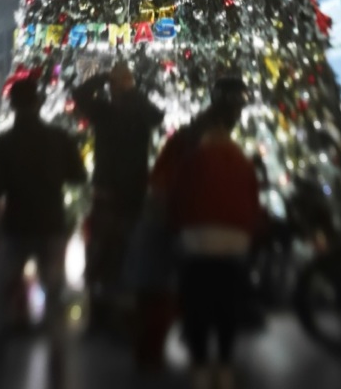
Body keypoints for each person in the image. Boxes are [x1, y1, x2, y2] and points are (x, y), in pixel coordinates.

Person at [132, 75, 265, 374]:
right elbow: (176, 184)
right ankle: (206, 359)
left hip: (187, 223)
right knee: (198, 294)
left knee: (191, 293)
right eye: (235, 104)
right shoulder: (207, 139)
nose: (237, 112)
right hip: (191, 224)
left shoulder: (198, 134)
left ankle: (191, 357)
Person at [0, 75, 86, 389]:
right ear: (39, 103)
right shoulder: (58, 138)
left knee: (2, 293)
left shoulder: (4, 142)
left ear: (12, 106)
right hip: (51, 224)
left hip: (15, 226)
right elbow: (78, 176)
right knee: (54, 296)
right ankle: (58, 361)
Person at [169, 75, 267, 389]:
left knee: (197, 301)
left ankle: (200, 366)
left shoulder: (194, 155)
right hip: (233, 239)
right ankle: (223, 366)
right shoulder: (239, 160)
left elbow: (178, 197)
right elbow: (252, 199)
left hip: (197, 237)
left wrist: (179, 230)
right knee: (226, 304)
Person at [72, 59, 163, 335]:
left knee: (102, 255)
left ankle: (101, 317)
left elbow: (79, 97)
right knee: (127, 254)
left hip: (109, 193)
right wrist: (128, 89)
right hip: (132, 192)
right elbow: (157, 116)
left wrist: (100, 79)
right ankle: (125, 316)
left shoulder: (105, 112)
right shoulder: (137, 110)